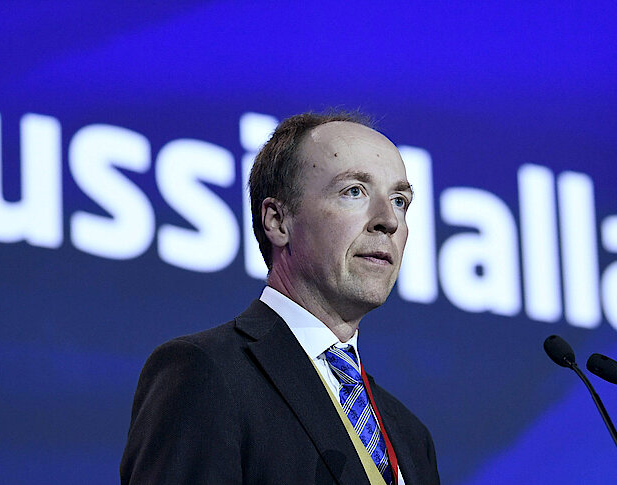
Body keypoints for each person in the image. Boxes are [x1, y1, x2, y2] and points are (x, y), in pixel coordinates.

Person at [121, 112, 440, 484]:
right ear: (277, 220)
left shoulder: (411, 437)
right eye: (354, 191)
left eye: (400, 200)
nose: (389, 220)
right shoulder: (205, 373)